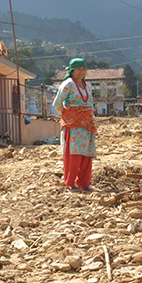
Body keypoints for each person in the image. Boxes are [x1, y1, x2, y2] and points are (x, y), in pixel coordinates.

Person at [53, 58, 97, 192]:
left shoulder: (87, 86)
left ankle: (84, 183)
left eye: (84, 68)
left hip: (86, 125)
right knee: (74, 154)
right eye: (78, 69)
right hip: (73, 126)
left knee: (86, 154)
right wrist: (68, 116)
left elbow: (89, 103)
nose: (81, 71)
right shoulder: (68, 84)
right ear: (72, 71)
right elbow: (57, 103)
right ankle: (70, 183)